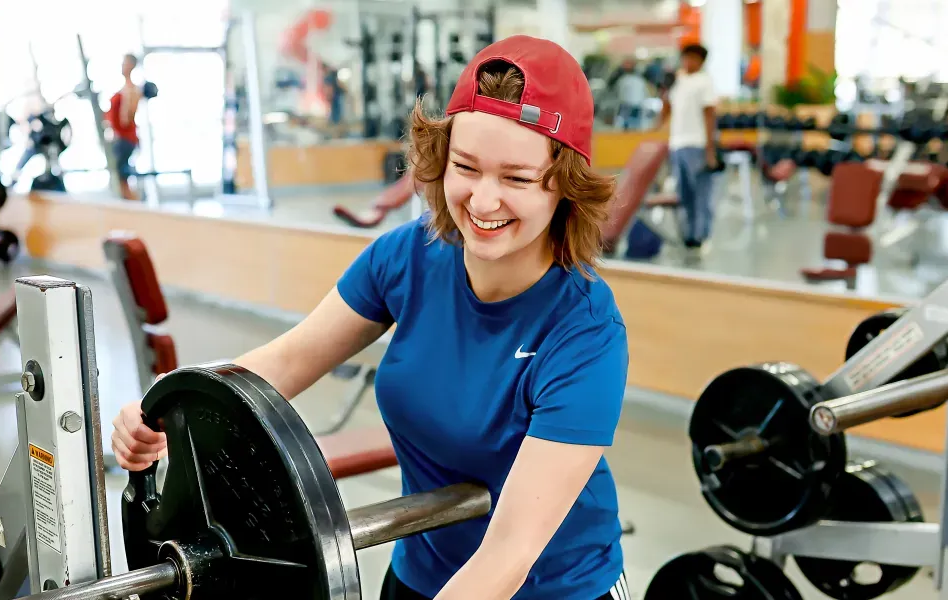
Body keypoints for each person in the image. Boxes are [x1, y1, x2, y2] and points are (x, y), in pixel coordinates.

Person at [113, 35, 632, 600]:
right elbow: (282, 364)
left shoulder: (585, 331)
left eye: (517, 178)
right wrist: (167, 410)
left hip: (554, 587)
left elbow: (510, 553)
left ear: (565, 188)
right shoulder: (409, 257)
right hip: (421, 569)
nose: (483, 202)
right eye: (467, 167)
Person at [657, 43, 719, 250]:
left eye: (693, 58)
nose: (689, 62)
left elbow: (710, 115)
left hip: (697, 144)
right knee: (684, 194)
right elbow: (665, 110)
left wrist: (710, 149)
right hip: (678, 144)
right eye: (686, 57)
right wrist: (665, 88)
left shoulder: (704, 82)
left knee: (701, 193)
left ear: (701, 61)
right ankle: (689, 234)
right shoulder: (678, 81)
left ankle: (702, 235)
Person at [106, 53, 144, 201]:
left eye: (125, 63)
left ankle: (136, 208)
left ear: (132, 66)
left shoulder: (132, 90)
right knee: (120, 179)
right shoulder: (124, 89)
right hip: (120, 138)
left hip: (125, 139)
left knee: (122, 179)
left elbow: (125, 119)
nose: (122, 66)